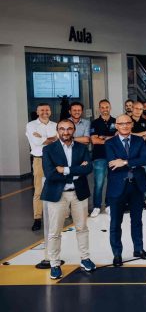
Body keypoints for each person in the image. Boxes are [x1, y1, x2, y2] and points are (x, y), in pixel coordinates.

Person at [41, 119, 95, 279]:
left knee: (82, 228)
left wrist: (64, 170)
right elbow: (50, 173)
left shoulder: (81, 147)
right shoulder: (49, 149)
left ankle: (85, 259)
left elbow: (88, 168)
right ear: (57, 130)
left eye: (69, 129)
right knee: (54, 231)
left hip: (78, 194)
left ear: (74, 131)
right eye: (62, 129)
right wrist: (76, 171)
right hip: (57, 194)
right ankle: (54, 264)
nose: (66, 132)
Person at [105, 115, 146, 267]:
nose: (124, 126)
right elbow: (113, 163)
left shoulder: (139, 141)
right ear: (116, 126)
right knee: (115, 223)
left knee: (137, 221)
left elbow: (145, 159)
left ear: (131, 125)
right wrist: (133, 162)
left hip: (136, 186)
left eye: (127, 123)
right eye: (121, 123)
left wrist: (124, 162)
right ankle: (117, 254)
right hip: (117, 187)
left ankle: (138, 249)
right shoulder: (110, 143)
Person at [26, 103, 58, 231]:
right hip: (39, 160)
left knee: (55, 187)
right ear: (37, 111)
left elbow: (59, 140)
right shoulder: (31, 125)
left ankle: (55, 216)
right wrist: (51, 138)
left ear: (50, 111)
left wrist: (43, 138)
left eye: (47, 109)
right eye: (42, 110)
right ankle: (37, 218)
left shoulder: (55, 125)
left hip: (54, 161)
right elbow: (36, 142)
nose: (45, 112)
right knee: (39, 190)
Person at [90, 99, 116, 217]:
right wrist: (110, 138)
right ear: (99, 109)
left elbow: (118, 139)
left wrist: (103, 137)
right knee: (99, 183)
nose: (105, 109)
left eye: (107, 107)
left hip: (114, 157)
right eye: (102, 107)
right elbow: (94, 140)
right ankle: (96, 206)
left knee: (112, 182)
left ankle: (109, 205)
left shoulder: (116, 122)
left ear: (110, 108)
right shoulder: (94, 123)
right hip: (99, 157)